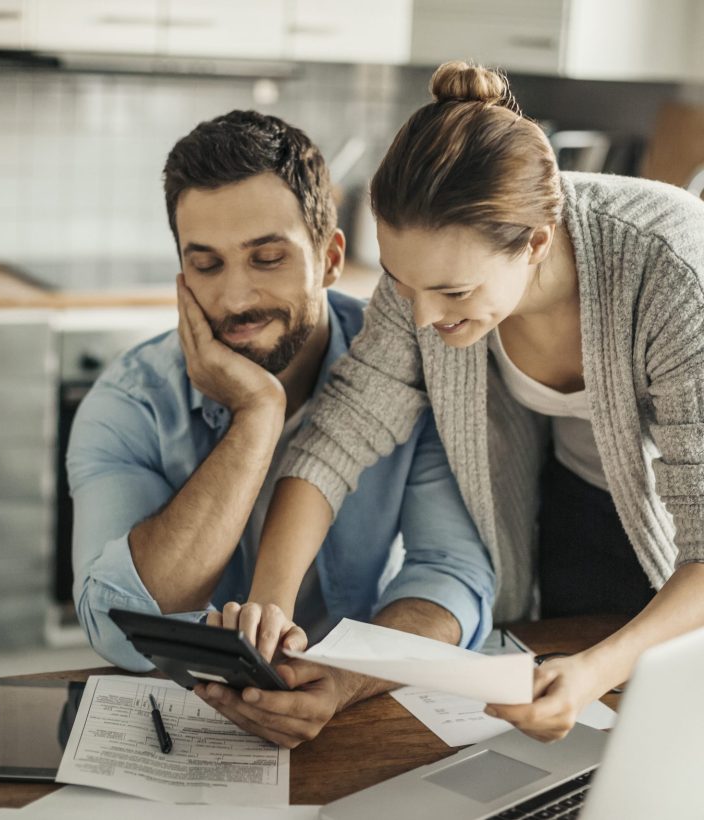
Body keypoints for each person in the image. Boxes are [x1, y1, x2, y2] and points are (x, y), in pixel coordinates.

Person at [224, 63, 704, 743]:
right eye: (401, 283)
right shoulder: (428, 269)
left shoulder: (673, 269)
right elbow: (340, 433)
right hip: (572, 504)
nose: (423, 318)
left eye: (453, 293)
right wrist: (269, 605)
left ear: (537, 243)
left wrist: (593, 672)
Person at [67, 109, 495, 748]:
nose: (236, 299)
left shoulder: (412, 372)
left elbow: (452, 577)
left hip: (357, 711)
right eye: (206, 265)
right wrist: (257, 416)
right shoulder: (131, 403)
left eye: (267, 258)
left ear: (330, 259)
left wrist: (345, 678)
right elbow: (116, 625)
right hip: (193, 725)